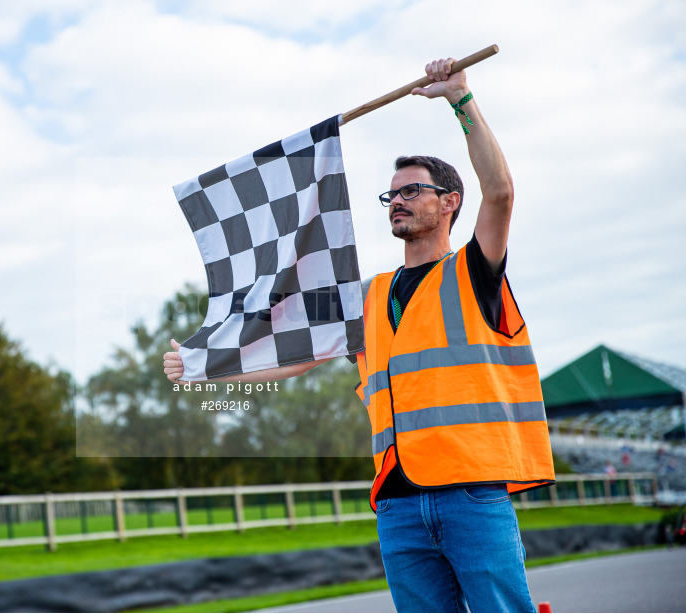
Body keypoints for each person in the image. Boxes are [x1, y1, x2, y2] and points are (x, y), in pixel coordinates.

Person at [163, 58, 554, 612]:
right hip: (396, 503)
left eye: (412, 190)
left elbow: (501, 194)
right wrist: (207, 364)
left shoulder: (473, 270)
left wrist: (461, 100)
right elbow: (292, 352)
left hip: (472, 493)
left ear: (449, 202)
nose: (396, 200)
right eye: (391, 194)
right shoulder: (366, 297)